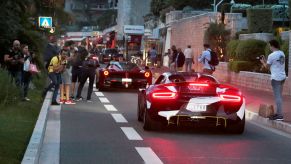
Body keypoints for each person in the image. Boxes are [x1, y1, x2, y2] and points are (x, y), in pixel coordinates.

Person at [260, 40, 287, 121]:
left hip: (276, 78)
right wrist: (265, 60)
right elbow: (276, 64)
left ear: (272, 46)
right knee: (279, 96)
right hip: (282, 77)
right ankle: (279, 113)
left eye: (269, 45)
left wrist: (262, 62)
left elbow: (267, 67)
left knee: (277, 97)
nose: (269, 47)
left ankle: (279, 115)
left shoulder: (272, 55)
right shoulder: (282, 53)